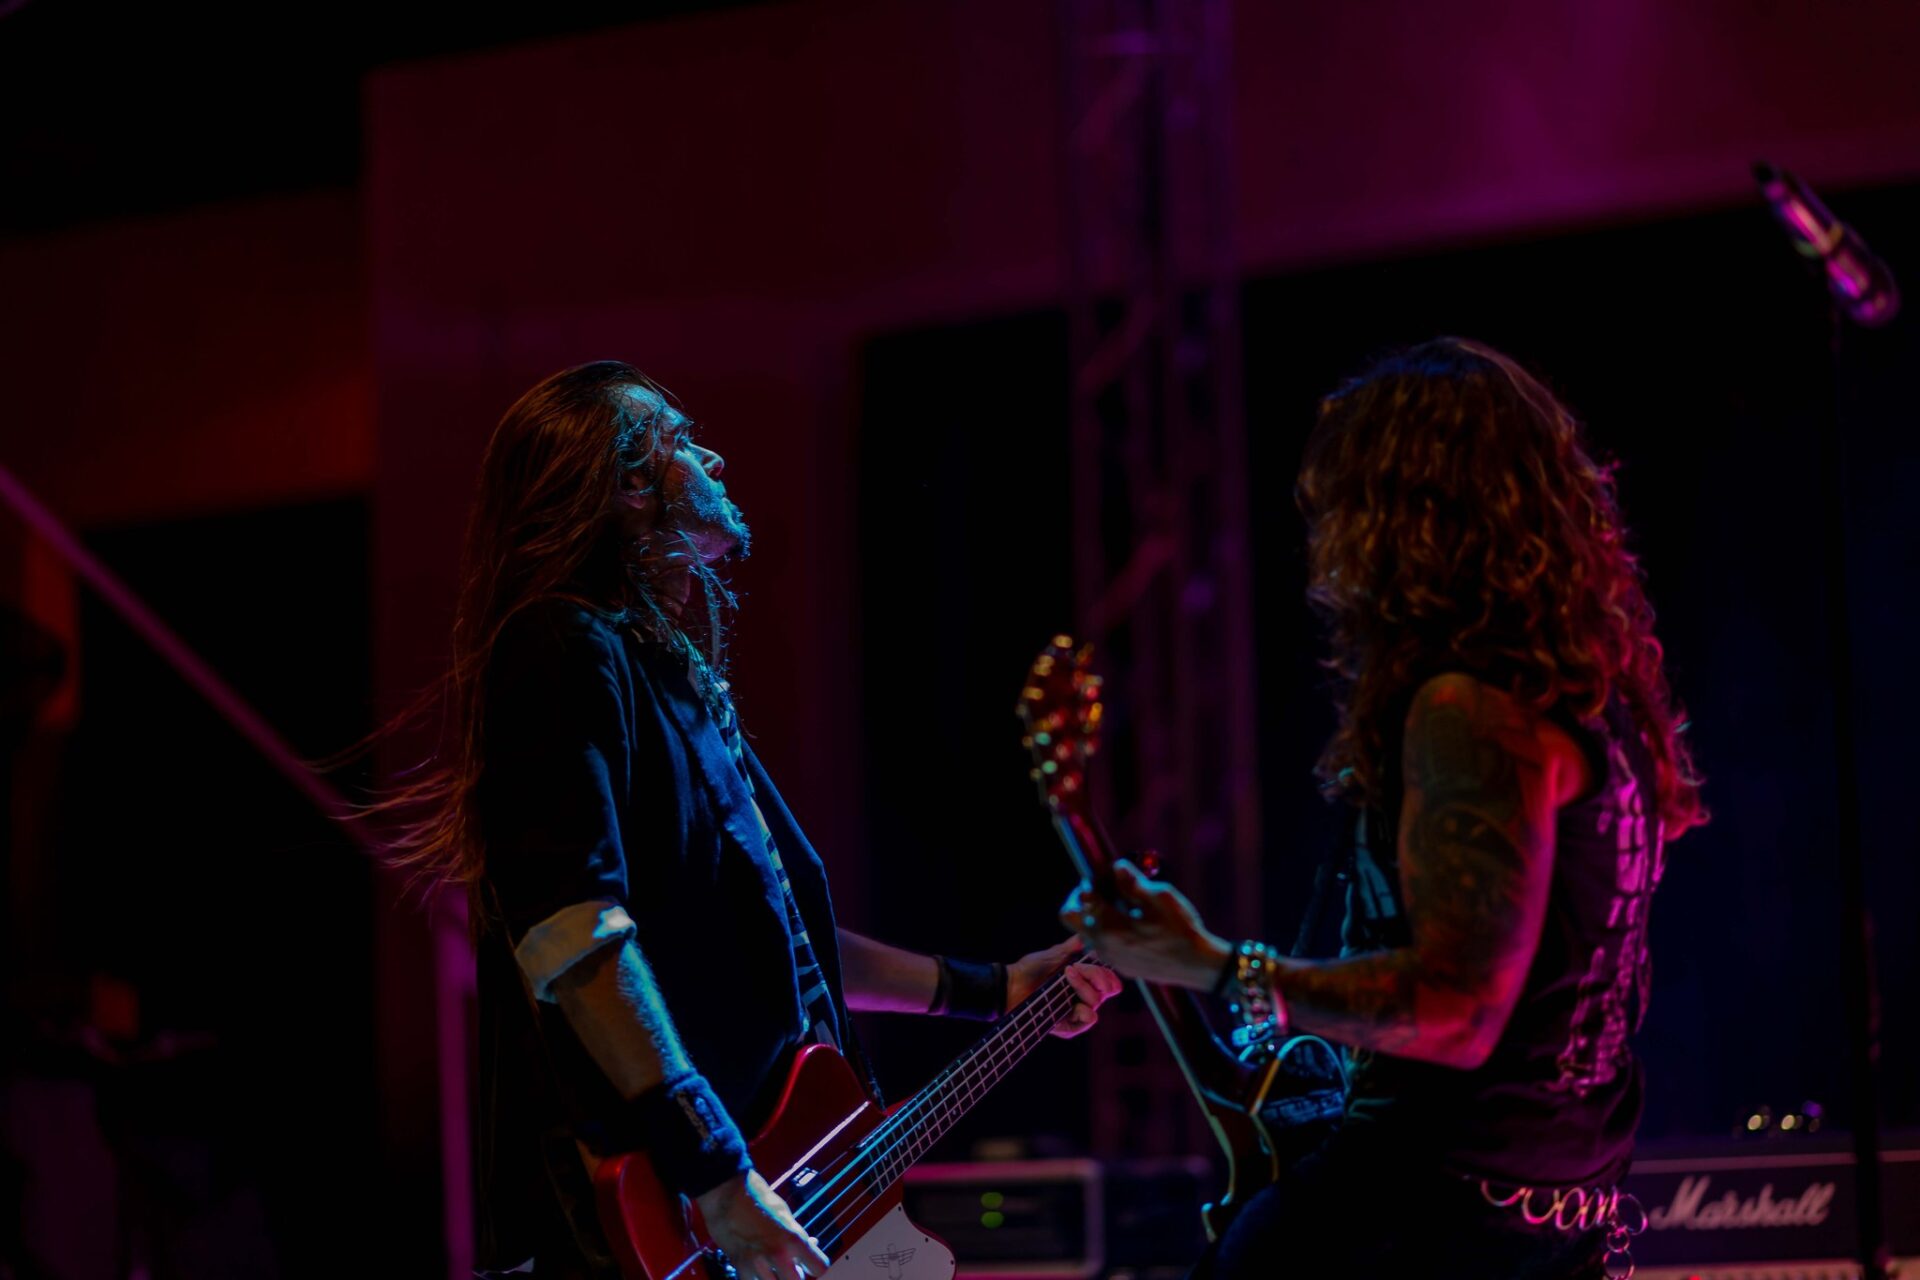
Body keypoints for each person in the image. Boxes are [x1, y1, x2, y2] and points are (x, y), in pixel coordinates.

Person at [383, 361, 1120, 1279]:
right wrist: (719, 1173)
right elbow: (578, 938)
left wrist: (998, 988)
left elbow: (782, 945)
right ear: (630, 485)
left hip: (775, 1194)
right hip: (659, 1225)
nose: (716, 459)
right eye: (681, 441)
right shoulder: (560, 643)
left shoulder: (669, 676)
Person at [1064, 338, 1705, 1278]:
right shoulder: (1598, 709)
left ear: (1402, 515)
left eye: (1341, 504)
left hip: (1414, 1218)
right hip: (1554, 1218)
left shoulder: (1468, 711)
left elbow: (1457, 1009)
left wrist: (1210, 964)